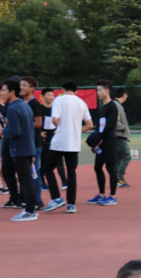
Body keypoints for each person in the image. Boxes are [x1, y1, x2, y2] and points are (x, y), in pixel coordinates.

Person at [42, 81, 92, 213]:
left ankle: (56, 198)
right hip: (73, 143)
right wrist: (75, 131)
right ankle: (71, 204)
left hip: (59, 141)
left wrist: (61, 128)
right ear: (76, 91)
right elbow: (90, 124)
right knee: (71, 172)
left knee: (47, 168)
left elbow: (54, 119)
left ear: (62, 89)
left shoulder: (59, 100)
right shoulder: (81, 102)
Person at [0, 78, 39, 220]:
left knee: (25, 180)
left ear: (12, 92)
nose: (2, 93)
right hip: (28, 147)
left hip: (20, 148)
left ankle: (30, 210)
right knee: (27, 179)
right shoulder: (25, 106)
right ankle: (30, 208)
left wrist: (3, 131)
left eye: (4, 90)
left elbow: (15, 132)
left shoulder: (13, 108)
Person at [87, 79, 120, 206]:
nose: (98, 92)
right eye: (97, 90)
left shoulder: (112, 106)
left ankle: (113, 197)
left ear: (107, 91)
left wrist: (99, 140)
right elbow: (99, 126)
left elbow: (110, 126)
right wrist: (95, 142)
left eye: (100, 90)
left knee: (110, 168)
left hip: (109, 141)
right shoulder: (103, 107)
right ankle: (101, 195)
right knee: (97, 167)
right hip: (101, 142)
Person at [20, 76, 45, 208]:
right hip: (24, 143)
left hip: (34, 143)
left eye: (24, 85)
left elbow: (38, 123)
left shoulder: (35, 104)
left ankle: (38, 200)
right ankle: (26, 198)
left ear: (32, 88)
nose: (21, 88)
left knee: (34, 172)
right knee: (25, 172)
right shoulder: (20, 103)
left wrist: (21, 126)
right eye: (20, 85)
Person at [39, 88, 68, 192]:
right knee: (43, 161)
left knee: (59, 160)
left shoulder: (55, 108)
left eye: (52, 95)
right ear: (43, 96)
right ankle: (43, 183)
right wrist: (39, 133)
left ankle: (64, 181)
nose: (51, 97)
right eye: (48, 95)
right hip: (44, 140)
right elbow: (35, 122)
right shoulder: (39, 109)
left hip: (55, 138)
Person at [113, 88, 132, 188]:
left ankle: (116, 179)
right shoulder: (117, 105)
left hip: (116, 136)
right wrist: (124, 128)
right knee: (127, 156)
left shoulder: (115, 104)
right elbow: (116, 122)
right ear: (124, 95)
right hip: (119, 136)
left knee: (118, 159)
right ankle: (119, 177)